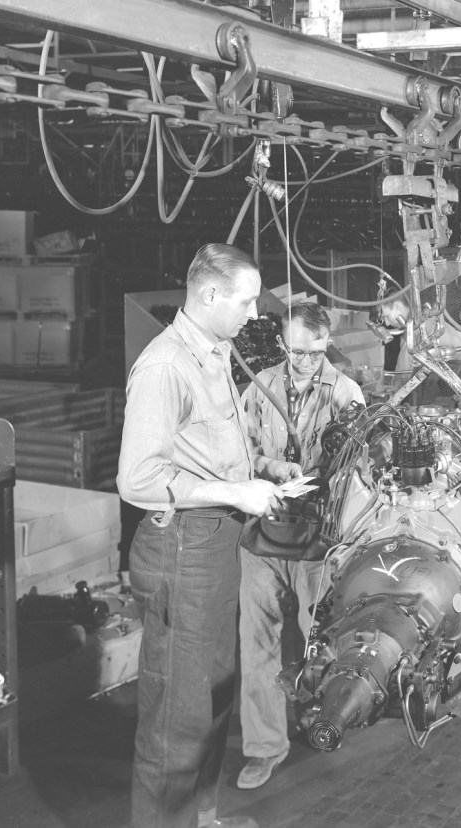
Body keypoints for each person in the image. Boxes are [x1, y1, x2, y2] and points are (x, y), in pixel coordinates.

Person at [118, 243, 288, 828]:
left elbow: (208, 451)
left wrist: (262, 470)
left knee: (214, 695)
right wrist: (236, 494)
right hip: (183, 549)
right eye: (245, 301)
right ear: (211, 295)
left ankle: (202, 820)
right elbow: (138, 478)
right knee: (177, 715)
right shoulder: (166, 366)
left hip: (217, 546)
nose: (254, 314)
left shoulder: (216, 353)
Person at [235, 302, 365, 790]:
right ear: (281, 345)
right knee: (257, 645)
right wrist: (271, 467)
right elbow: (239, 449)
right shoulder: (260, 387)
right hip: (264, 534)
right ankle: (264, 747)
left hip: (318, 541)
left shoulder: (346, 393)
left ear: (327, 343)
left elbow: (361, 467)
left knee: (320, 643)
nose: (305, 362)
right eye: (295, 352)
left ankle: (318, 719)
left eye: (315, 353)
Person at [379, 296, 461, 413]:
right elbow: (414, 375)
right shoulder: (414, 328)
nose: (387, 323)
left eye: (386, 316)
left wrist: (391, 403)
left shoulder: (423, 324)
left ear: (397, 306)